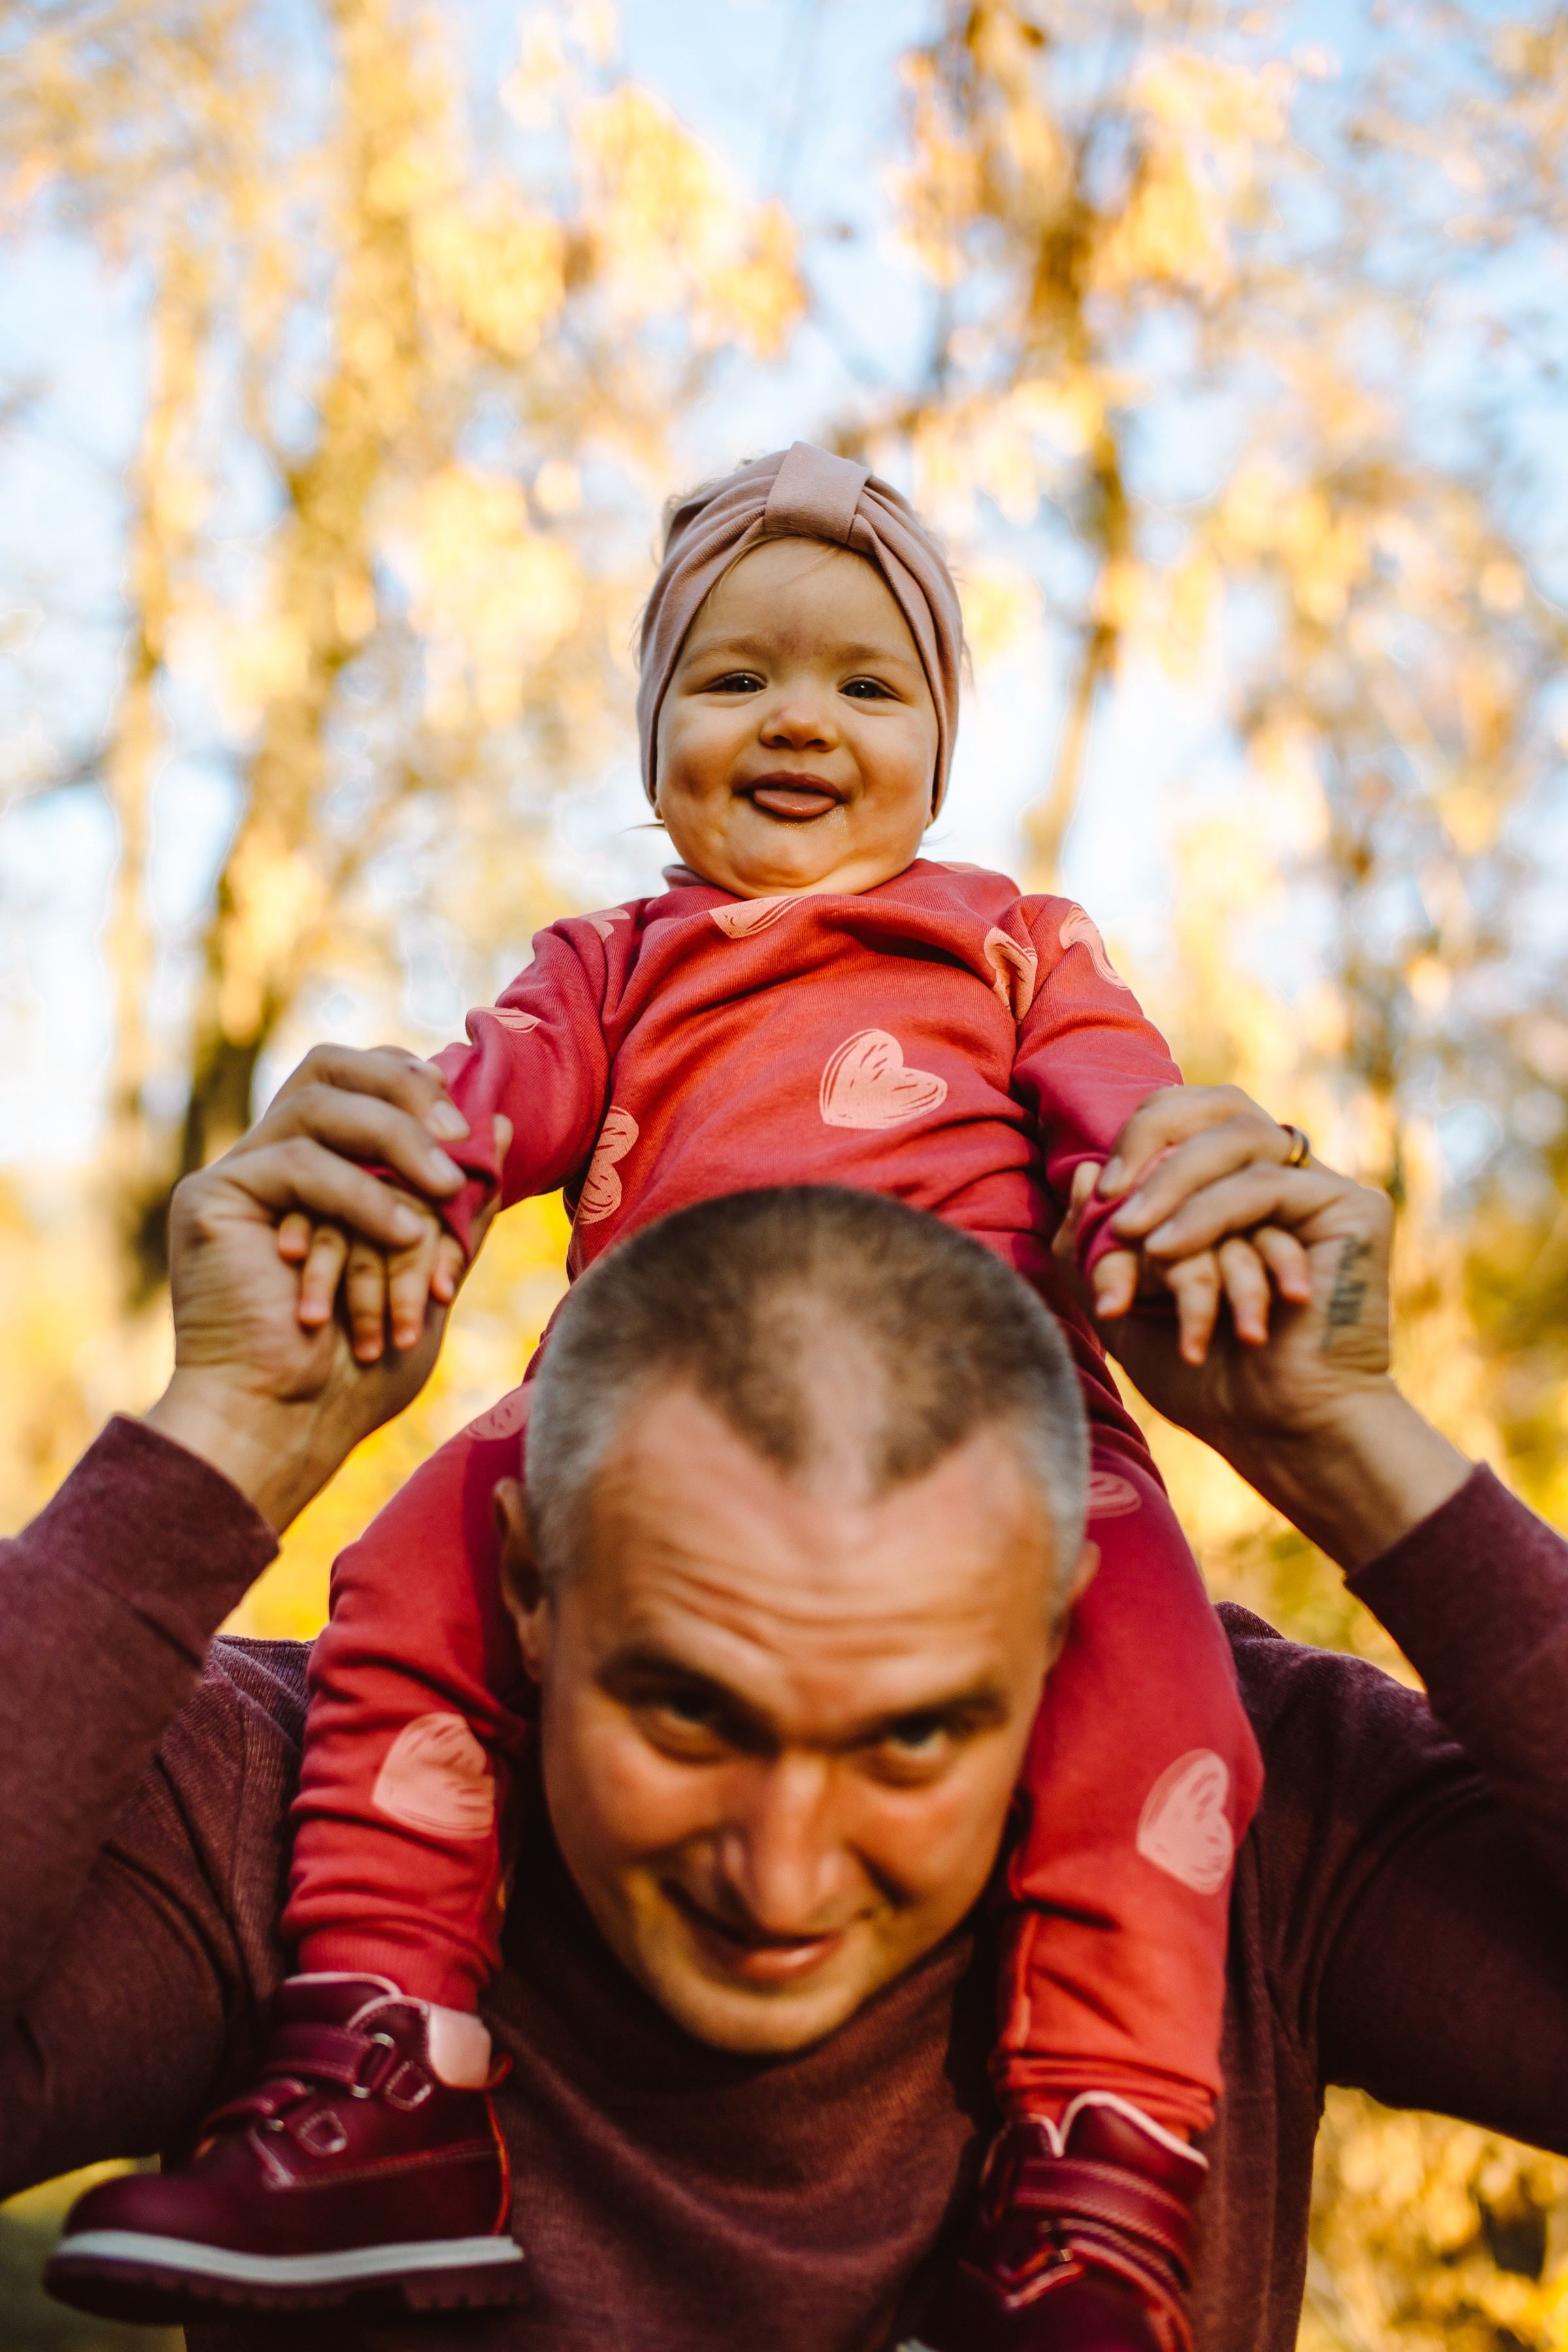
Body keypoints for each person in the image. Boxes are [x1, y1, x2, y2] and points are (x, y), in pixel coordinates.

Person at [70, 443, 1319, 2344]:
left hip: (998, 1426)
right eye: (731, 680)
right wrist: (400, 1167)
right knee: (408, 1575)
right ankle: (388, 2056)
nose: (797, 719)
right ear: (652, 734)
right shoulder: (610, 959)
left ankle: (1101, 2168)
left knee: (1162, 1686)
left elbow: (1124, 1106)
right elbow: (485, 1106)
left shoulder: (1010, 939)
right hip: (642, 1417)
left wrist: (1207, 1193)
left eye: (864, 682)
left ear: (940, 742)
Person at [10, 1066, 1568, 2349]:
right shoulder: (300, 1795)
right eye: (690, 1716)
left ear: (1056, 1640)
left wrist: (1357, 1451)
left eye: (913, 1737)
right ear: (533, 1592)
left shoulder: (1237, 1810)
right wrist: (219, 1440)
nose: (784, 1872)